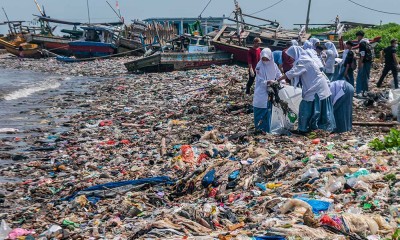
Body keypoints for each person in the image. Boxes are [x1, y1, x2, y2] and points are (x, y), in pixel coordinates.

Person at [277, 46, 336, 133]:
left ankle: (306, 128)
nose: (291, 58)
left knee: (306, 107)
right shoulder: (304, 59)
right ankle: (312, 128)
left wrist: (278, 80)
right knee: (313, 108)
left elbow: (292, 72)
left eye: (291, 56)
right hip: (315, 86)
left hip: (316, 87)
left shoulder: (303, 60)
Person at [253, 48, 282, 133]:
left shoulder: (274, 65)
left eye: (267, 59)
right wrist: (268, 82)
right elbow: (260, 80)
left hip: (271, 91)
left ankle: (267, 130)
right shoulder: (259, 66)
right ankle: (259, 130)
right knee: (260, 110)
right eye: (263, 59)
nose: (265, 60)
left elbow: (279, 74)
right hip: (261, 92)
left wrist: (282, 81)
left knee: (269, 111)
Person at [355, 30, 373, 96]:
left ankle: (359, 91)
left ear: (359, 36)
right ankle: (365, 91)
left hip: (364, 62)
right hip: (369, 61)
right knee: (366, 76)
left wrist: (360, 63)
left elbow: (362, 54)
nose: (357, 38)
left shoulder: (362, 43)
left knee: (360, 76)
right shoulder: (367, 42)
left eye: (357, 36)